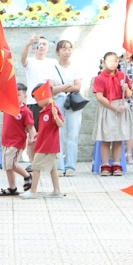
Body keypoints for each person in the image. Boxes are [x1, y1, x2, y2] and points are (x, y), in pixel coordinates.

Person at [91, 51, 133, 175]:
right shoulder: (100, 78)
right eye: (110, 61)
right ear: (104, 62)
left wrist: (126, 88)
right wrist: (114, 108)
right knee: (106, 138)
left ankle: (117, 164)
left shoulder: (122, 75)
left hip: (121, 105)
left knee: (119, 137)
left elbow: (129, 95)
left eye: (115, 61)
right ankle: (105, 164)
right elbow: (99, 97)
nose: (113, 63)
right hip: (108, 107)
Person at [50, 40, 83, 174]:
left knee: (73, 134)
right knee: (57, 133)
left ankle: (70, 166)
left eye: (69, 48)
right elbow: (51, 89)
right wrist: (67, 86)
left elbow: (77, 86)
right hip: (57, 101)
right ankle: (59, 165)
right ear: (58, 51)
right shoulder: (52, 67)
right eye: (63, 49)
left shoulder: (76, 66)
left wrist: (62, 88)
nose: (67, 51)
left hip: (72, 101)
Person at [26, 97, 64, 197]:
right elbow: (46, 127)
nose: (37, 102)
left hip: (48, 145)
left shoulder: (53, 108)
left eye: (38, 99)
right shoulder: (44, 110)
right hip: (44, 143)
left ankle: (33, 191)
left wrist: (55, 114)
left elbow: (60, 124)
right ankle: (57, 191)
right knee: (53, 167)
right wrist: (38, 134)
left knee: (36, 166)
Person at [0, 90, 33, 196]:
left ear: (25, 97)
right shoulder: (8, 107)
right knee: (7, 165)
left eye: (18, 95)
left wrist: (31, 138)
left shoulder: (26, 111)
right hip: (6, 141)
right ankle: (12, 188)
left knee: (11, 164)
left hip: (17, 142)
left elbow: (30, 127)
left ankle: (27, 176)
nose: (16, 97)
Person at [20, 36, 60, 107]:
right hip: (32, 101)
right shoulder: (30, 61)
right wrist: (27, 44)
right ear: (34, 47)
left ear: (48, 48)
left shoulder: (53, 62)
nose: (41, 46)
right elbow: (23, 59)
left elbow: (54, 83)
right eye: (39, 44)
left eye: (44, 44)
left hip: (48, 102)